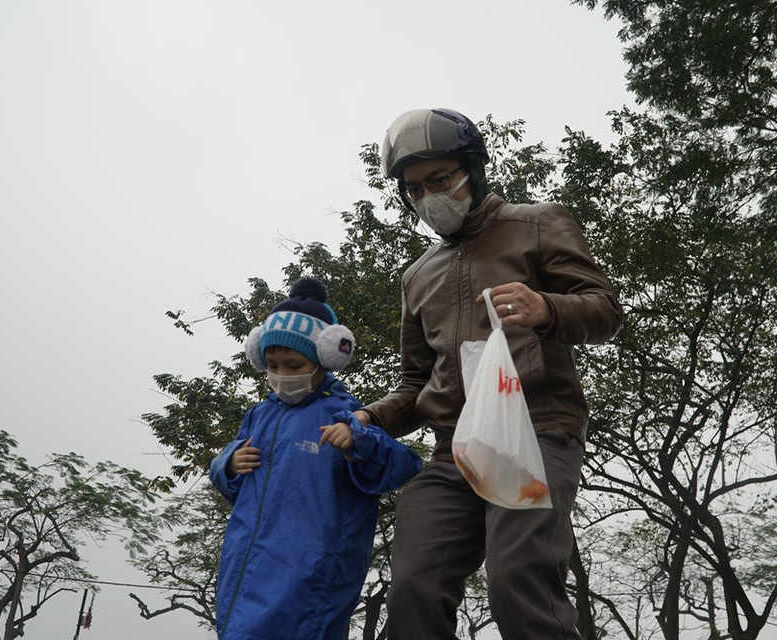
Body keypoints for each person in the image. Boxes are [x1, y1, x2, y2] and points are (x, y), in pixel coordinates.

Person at [354, 108, 623, 639]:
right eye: (413, 188)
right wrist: (369, 417)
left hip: (535, 427)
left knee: (517, 578)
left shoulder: (539, 222)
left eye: (440, 179)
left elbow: (605, 310)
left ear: (473, 170)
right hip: (452, 446)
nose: (428, 197)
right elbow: (414, 385)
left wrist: (547, 308)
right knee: (413, 585)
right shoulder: (416, 277)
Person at [209, 277, 422, 640]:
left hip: (314, 567)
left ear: (326, 358)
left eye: (293, 365)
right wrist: (227, 464)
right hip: (245, 565)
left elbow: (402, 465)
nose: (281, 375)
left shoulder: (347, 414)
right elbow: (233, 486)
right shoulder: (258, 415)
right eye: (273, 365)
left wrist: (359, 441)